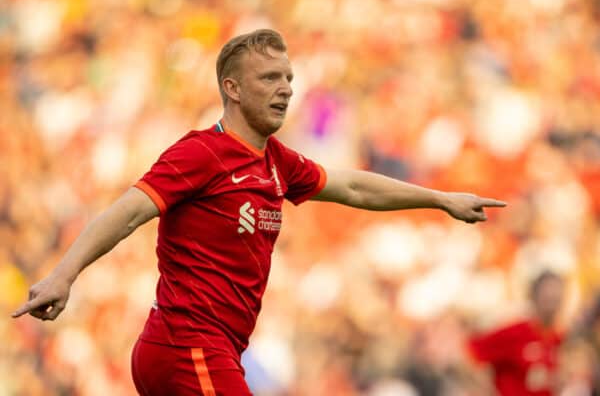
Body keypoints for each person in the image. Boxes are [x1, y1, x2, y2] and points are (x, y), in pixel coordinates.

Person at [12, 29, 506, 395]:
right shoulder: (201, 153)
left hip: (211, 350)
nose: (286, 88)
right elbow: (127, 212)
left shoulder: (277, 162)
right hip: (189, 347)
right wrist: (63, 275)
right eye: (270, 78)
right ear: (232, 88)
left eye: (288, 77)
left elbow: (354, 187)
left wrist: (440, 199)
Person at [467, 270, 565, 396]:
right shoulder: (514, 333)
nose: (552, 302)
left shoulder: (561, 339)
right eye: (547, 297)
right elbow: (470, 354)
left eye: (556, 297)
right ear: (534, 297)